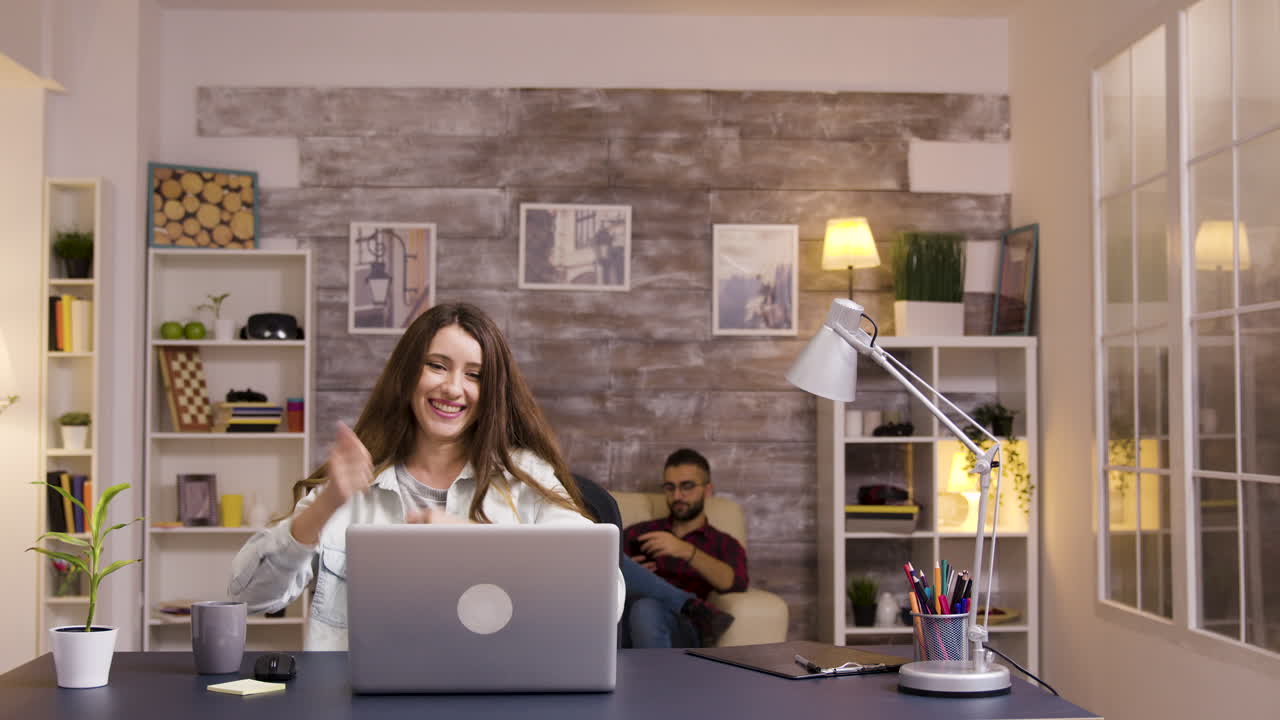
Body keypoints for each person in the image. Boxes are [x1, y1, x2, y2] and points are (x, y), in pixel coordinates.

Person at [228, 302, 623, 650]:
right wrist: (326, 506)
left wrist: (473, 541)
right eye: (437, 366)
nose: (453, 388)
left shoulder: (525, 477)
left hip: (492, 693)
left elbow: (605, 597)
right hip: (363, 698)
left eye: (475, 375)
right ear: (406, 374)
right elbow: (247, 597)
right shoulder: (355, 481)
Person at [621, 448, 748, 648]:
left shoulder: (722, 542)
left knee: (646, 609)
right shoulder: (639, 532)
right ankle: (693, 606)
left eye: (687, 486)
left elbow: (736, 583)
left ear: (707, 490)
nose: (677, 495)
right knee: (613, 559)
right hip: (626, 623)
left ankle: (687, 609)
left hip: (681, 627)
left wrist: (687, 551)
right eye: (670, 487)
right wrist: (632, 575)